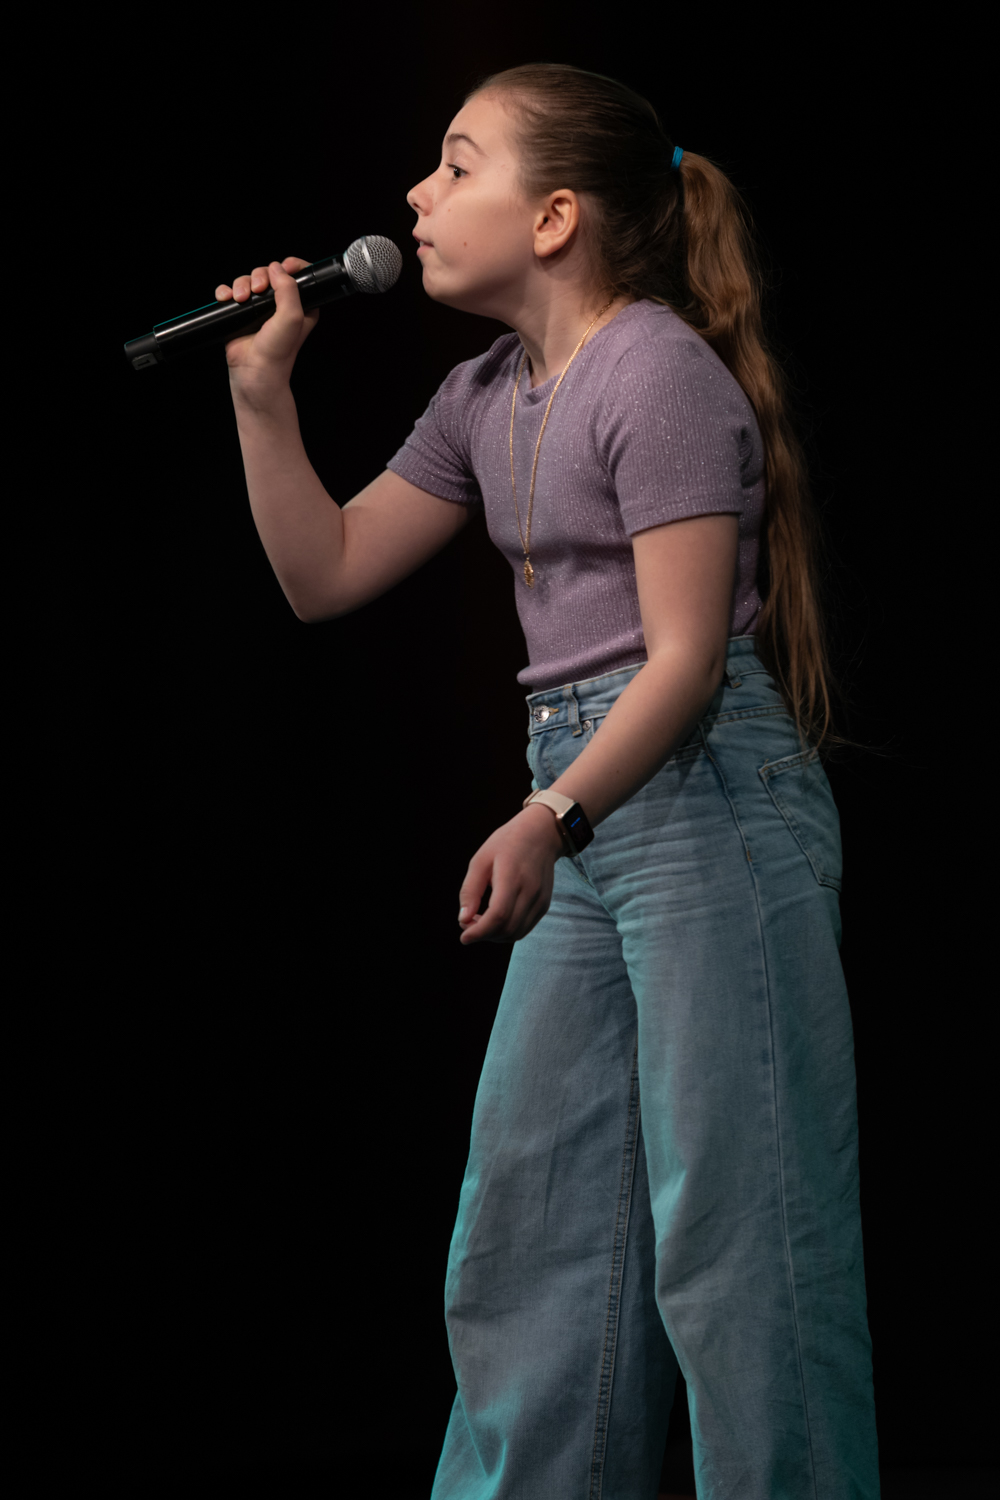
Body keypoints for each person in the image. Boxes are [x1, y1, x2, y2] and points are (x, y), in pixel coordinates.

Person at [216, 62, 879, 1500]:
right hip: (582, 810)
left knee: (740, 1243)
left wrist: (551, 813)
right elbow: (326, 572)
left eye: (457, 167)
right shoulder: (484, 394)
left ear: (557, 217)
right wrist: (263, 397)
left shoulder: (656, 371)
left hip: (701, 801)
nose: (418, 195)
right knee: (533, 1233)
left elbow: (686, 660)